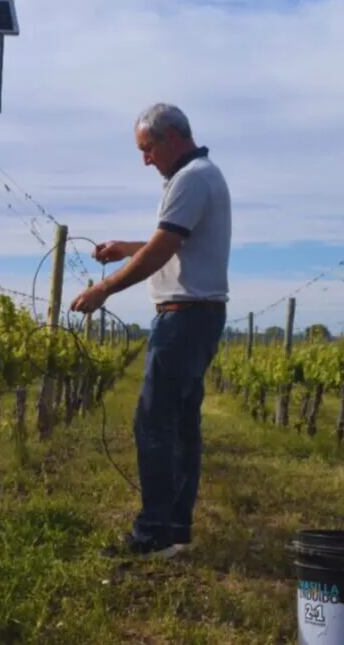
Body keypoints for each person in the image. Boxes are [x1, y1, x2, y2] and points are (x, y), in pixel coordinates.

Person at [70, 103, 231, 558]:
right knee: (179, 425)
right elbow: (177, 241)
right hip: (197, 315)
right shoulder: (200, 175)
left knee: (155, 424)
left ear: (172, 137)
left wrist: (105, 289)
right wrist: (126, 248)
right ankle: (175, 529)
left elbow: (163, 249)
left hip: (184, 316)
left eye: (147, 149)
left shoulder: (192, 178)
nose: (144, 160)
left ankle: (153, 533)